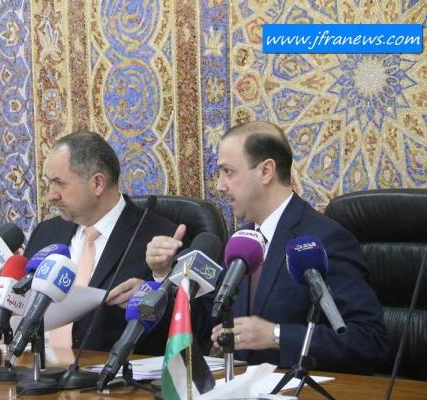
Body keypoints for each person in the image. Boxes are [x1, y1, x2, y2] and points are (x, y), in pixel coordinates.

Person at [147, 121, 388, 374]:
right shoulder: (242, 241)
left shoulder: (324, 240)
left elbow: (369, 341)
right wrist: (162, 275)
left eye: (228, 171)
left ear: (265, 171)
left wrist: (276, 335)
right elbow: (210, 324)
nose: (219, 185)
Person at [24, 130, 185, 355]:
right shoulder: (45, 233)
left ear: (98, 183)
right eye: (47, 183)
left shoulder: (160, 237)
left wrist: (156, 285)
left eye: (59, 183)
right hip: (34, 367)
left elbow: (181, 330)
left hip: (109, 372)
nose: (51, 195)